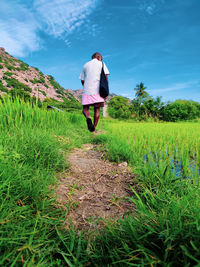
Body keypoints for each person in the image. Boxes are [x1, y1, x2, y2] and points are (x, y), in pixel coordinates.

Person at [79, 52, 110, 132]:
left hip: (87, 89)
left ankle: (88, 118)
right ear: (98, 57)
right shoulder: (101, 64)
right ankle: (94, 129)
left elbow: (82, 80)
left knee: (85, 109)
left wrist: (86, 87)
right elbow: (106, 78)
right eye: (101, 58)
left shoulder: (85, 65)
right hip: (98, 90)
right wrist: (106, 91)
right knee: (97, 109)